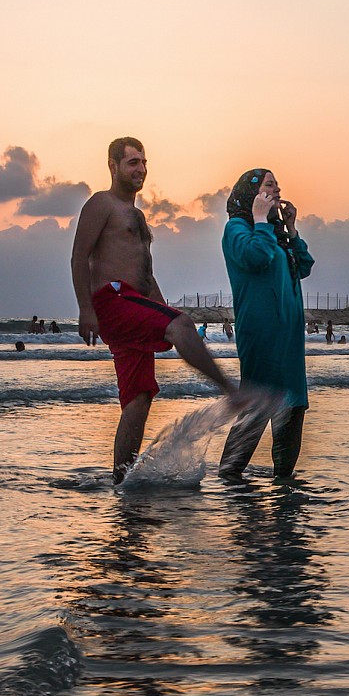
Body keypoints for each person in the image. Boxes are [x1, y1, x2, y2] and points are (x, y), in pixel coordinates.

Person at [71, 136, 239, 479]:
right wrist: (86, 310)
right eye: (133, 162)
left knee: (139, 396)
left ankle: (121, 479)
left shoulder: (137, 214)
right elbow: (78, 257)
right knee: (183, 325)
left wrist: (160, 308)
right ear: (113, 166)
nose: (141, 169)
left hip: (135, 302)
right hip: (113, 299)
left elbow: (146, 271)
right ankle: (233, 392)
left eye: (144, 162)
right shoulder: (101, 204)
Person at [217, 168, 317, 477]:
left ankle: (284, 483)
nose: (277, 189)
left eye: (277, 185)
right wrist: (259, 219)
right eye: (269, 184)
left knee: (293, 403)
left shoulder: (276, 233)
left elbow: (304, 267)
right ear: (252, 193)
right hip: (261, 332)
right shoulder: (237, 228)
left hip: (288, 335)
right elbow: (255, 257)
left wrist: (291, 229)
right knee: (259, 402)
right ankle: (229, 477)